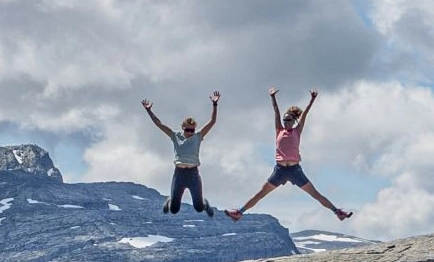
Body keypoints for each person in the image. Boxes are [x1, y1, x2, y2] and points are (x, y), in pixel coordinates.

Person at [226, 88, 352, 222]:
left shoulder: (297, 131)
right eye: (284, 120)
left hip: (294, 170)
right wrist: (272, 97)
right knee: (261, 193)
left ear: (293, 121)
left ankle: (337, 212)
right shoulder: (278, 130)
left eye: (288, 120)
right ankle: (239, 212)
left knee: (315, 194)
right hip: (280, 170)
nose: (286, 122)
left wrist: (312, 99)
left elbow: (305, 114)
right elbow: (276, 111)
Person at [142, 93, 219, 216]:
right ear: (183, 127)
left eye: (192, 130)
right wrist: (149, 110)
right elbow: (159, 124)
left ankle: (205, 203)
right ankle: (170, 201)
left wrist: (215, 104)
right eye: (187, 130)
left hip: (193, 174)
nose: (190, 132)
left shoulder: (198, 136)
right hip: (179, 174)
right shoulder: (175, 136)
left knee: (199, 207)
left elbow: (212, 121)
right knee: (174, 209)